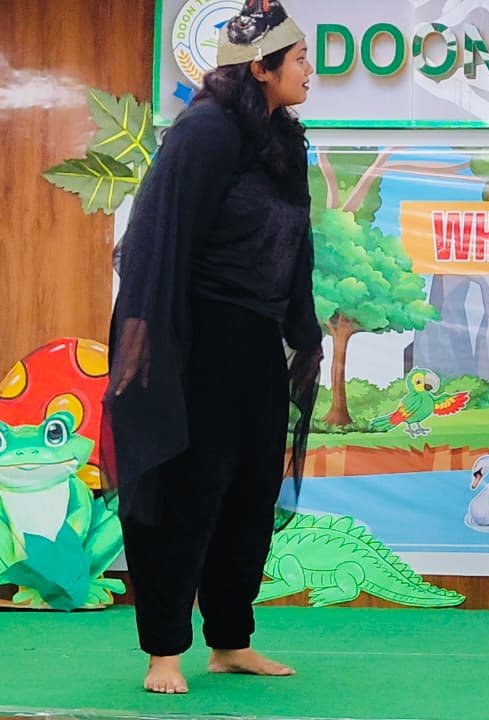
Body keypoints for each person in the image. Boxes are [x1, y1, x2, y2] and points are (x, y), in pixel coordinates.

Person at [104, 0, 322, 694]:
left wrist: (303, 330)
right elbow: (155, 237)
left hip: (256, 341)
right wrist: (147, 344)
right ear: (260, 68)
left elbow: (296, 244)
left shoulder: (284, 140)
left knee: (250, 495)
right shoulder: (204, 131)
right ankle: (164, 651)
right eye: (300, 59)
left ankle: (230, 640)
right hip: (198, 339)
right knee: (187, 493)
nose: (309, 70)